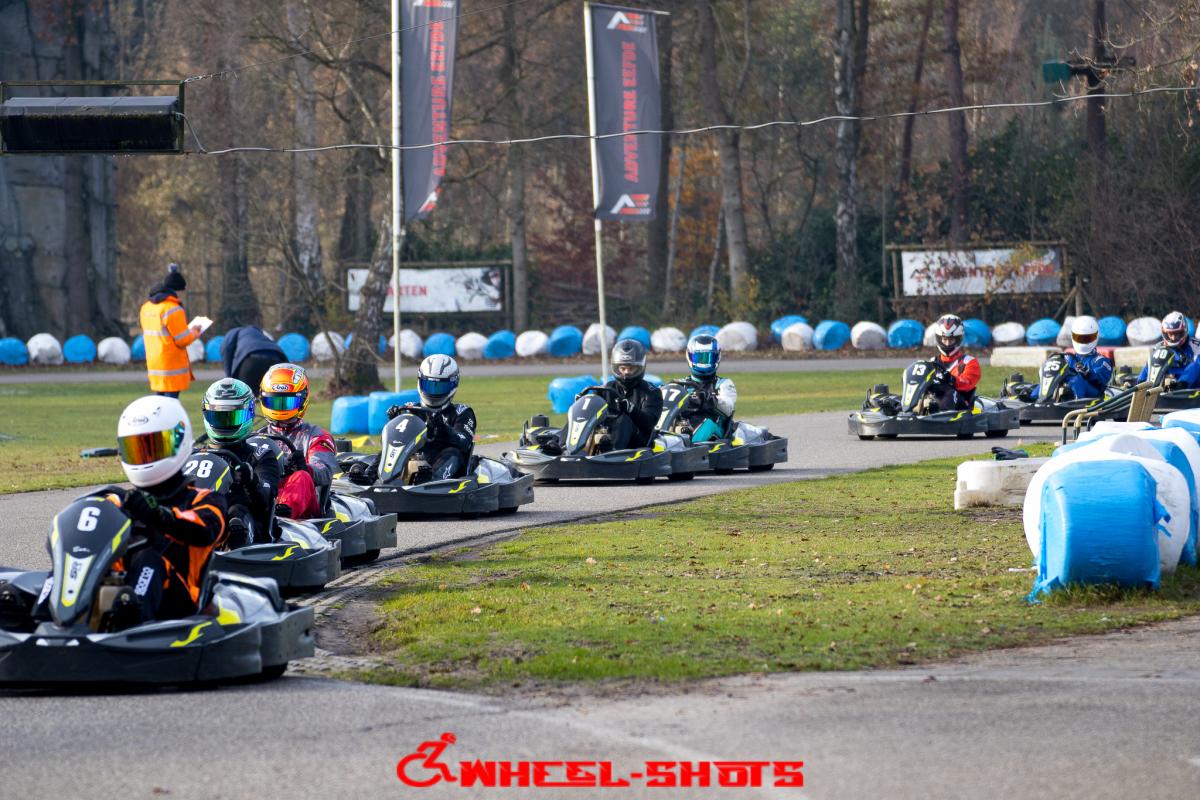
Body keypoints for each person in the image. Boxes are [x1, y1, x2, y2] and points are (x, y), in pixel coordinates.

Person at [114, 395, 226, 622]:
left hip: (182, 603)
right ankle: (49, 617)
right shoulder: (122, 500)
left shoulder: (204, 499)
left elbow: (205, 531)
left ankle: (136, 624)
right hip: (123, 587)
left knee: (149, 559)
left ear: (179, 441)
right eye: (136, 449)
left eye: (153, 447)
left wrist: (158, 515)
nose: (145, 458)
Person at [200, 378, 282, 547]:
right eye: (218, 417)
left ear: (249, 414)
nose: (225, 424)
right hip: (205, 517)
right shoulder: (197, 456)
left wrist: (251, 481)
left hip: (251, 531)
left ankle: (232, 546)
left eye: (233, 417)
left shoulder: (261, 456)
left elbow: (266, 499)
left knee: (235, 512)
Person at [378, 354, 477, 482]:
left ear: (453, 385)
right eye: (428, 385)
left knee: (453, 453)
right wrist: (394, 420)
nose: (433, 393)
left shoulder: (462, 412)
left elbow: (463, 442)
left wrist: (442, 427)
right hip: (413, 456)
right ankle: (370, 475)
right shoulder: (411, 409)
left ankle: (432, 481)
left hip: (444, 461)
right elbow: (399, 438)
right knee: (392, 448)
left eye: (440, 387)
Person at [260, 363, 336, 519]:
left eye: (287, 403)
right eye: (274, 402)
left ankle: (283, 516)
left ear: (302, 400)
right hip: (267, 496)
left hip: (305, 505)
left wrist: (305, 467)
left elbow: (325, 470)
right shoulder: (257, 437)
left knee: (301, 476)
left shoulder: (317, 436)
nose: (280, 409)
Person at [138, 263, 202, 398]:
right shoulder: (173, 309)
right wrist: (194, 333)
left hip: (154, 364)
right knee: (171, 404)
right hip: (171, 365)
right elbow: (182, 340)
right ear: (176, 291)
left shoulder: (146, 307)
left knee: (160, 403)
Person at [597, 338, 663, 452]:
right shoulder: (605, 389)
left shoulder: (651, 392)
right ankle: (566, 448)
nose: (626, 373)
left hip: (637, 444)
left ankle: (613, 452)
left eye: (631, 368)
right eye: (623, 368)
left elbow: (649, 422)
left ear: (640, 367)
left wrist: (631, 409)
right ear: (616, 368)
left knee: (624, 419)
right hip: (606, 438)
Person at [1027, 316, 1113, 401]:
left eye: (1087, 338)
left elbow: (1101, 379)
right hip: (1069, 390)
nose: (1082, 341)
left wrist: (1087, 373)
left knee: (1076, 380)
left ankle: (1073, 402)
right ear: (1072, 336)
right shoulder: (1068, 357)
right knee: (1050, 379)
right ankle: (1034, 399)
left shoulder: (1101, 361)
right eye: (1079, 338)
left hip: (1092, 394)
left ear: (1096, 336)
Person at [676, 333, 738, 441]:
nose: (704, 362)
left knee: (707, 425)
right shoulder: (681, 384)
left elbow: (728, 408)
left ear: (717, 357)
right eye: (700, 358)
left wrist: (707, 399)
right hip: (684, 427)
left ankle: (689, 447)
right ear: (690, 356)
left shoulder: (723, 383)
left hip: (713, 429)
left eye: (708, 358)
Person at [927, 314, 981, 412]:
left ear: (958, 339)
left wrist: (952, 379)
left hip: (961, 406)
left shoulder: (969, 362)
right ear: (939, 339)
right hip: (934, 401)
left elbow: (967, 383)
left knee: (950, 393)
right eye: (944, 339)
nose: (947, 344)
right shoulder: (931, 362)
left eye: (951, 339)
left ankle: (940, 415)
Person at [1138, 311, 1200, 388]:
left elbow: (1196, 367)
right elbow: (1149, 367)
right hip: (1165, 384)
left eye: (1176, 334)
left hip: (1190, 385)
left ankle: (1182, 383)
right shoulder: (1158, 347)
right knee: (1153, 360)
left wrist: (1181, 382)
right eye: (1170, 334)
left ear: (1183, 331)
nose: (1173, 338)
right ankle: (1141, 385)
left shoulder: (1195, 346)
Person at [220, 326, 287, 395]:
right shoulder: (262, 335)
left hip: (251, 360)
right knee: (275, 396)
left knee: (246, 395)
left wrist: (229, 377)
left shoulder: (235, 332)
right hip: (276, 360)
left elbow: (226, 348)